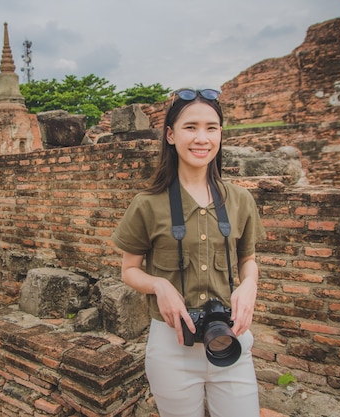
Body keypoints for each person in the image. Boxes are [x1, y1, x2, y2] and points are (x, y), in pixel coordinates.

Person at [111, 88, 265, 417]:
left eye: (212, 127)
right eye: (190, 127)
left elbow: (247, 260)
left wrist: (249, 285)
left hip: (232, 340)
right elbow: (129, 270)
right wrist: (159, 285)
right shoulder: (147, 204)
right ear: (170, 135)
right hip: (172, 349)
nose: (202, 138)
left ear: (221, 134)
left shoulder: (240, 200)